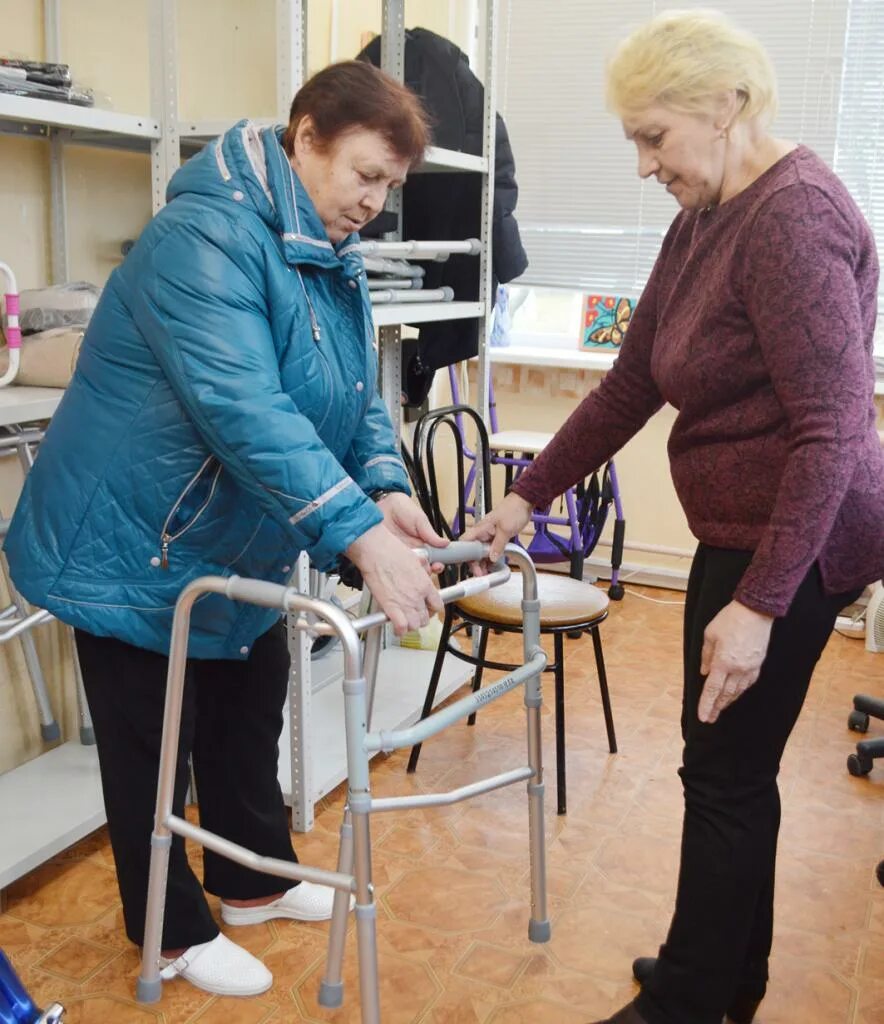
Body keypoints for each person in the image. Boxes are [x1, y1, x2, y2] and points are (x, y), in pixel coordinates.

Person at [464, 11, 884, 1024]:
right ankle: (726, 977)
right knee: (730, 767)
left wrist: (760, 605)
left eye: (653, 137)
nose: (644, 165)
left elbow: (831, 428)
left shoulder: (790, 220)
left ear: (726, 106)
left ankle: (689, 1003)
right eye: (633, 142)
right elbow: (631, 382)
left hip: (798, 538)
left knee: (723, 770)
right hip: (743, 528)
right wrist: (525, 494)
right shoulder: (705, 217)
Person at [5, 60, 448, 998]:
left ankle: (251, 882)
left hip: (227, 528)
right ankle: (167, 933)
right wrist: (360, 538)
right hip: (137, 535)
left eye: (390, 186)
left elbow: (350, 392)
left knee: (249, 705)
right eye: (365, 174)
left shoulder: (326, 248)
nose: (374, 202)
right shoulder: (202, 237)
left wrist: (382, 484)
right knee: (154, 744)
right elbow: (244, 408)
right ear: (306, 136)